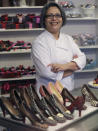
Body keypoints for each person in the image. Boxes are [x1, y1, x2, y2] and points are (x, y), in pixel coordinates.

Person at [31, 2, 86, 93]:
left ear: (62, 18)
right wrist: (72, 70)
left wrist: (64, 66)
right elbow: (46, 72)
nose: (54, 19)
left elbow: (83, 58)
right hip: (47, 94)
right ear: (44, 19)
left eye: (57, 15)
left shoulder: (67, 38)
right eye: (50, 15)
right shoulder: (39, 42)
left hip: (68, 90)